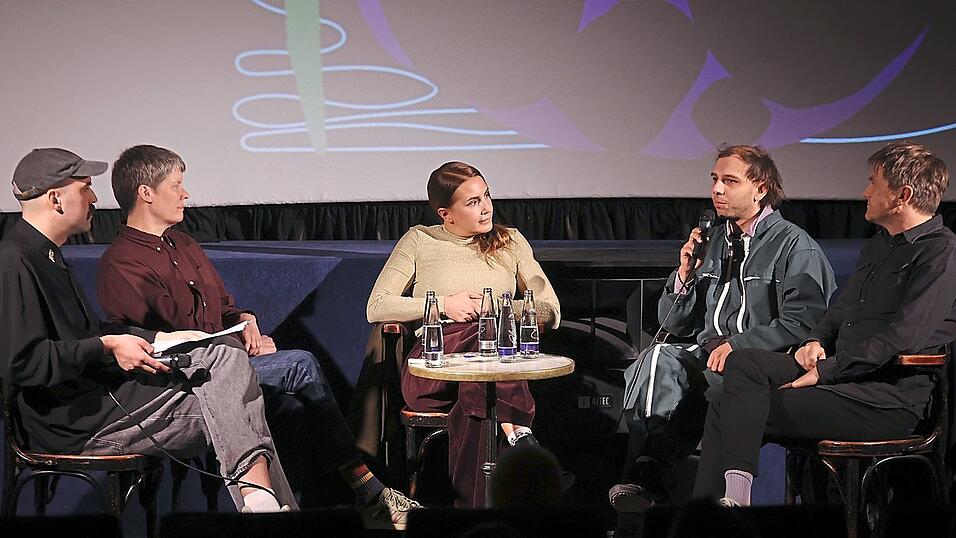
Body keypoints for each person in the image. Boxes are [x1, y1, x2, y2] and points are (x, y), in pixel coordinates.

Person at [95, 145, 418, 530]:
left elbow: (224, 308)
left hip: (227, 362)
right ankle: (367, 487)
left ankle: (288, 513)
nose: (186, 194)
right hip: (182, 379)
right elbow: (160, 340)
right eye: (177, 185)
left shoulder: (183, 244)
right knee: (300, 365)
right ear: (146, 193)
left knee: (289, 409)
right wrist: (230, 343)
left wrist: (245, 322)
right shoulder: (121, 262)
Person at [0, 148, 295, 513]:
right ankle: (265, 507)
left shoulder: (47, 256)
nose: (94, 198)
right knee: (238, 400)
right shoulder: (14, 260)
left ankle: (263, 505)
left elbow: (82, 332)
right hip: (74, 422)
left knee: (233, 383)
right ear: (56, 198)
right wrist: (106, 346)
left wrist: (157, 338)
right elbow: (23, 362)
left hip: (96, 403)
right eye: (86, 188)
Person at [693, 141, 954, 508]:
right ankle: (720, 507)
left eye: (873, 183)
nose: (864, 192)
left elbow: (903, 337)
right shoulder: (881, 245)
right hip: (843, 376)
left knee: (729, 406)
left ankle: (727, 508)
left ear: (902, 195)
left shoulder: (940, 252)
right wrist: (816, 340)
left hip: (883, 398)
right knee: (743, 363)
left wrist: (827, 370)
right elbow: (840, 309)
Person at [610, 145, 837, 524]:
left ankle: (680, 495)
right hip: (709, 351)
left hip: (761, 363)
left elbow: (804, 321)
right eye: (714, 180)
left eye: (730, 181)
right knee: (655, 359)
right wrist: (684, 274)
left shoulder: (793, 245)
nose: (717, 189)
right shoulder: (714, 240)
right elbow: (673, 324)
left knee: (710, 388)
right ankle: (648, 474)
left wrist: (739, 345)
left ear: (760, 188)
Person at [366, 161, 561, 508]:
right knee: (482, 351)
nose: (486, 207)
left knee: (478, 400)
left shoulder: (510, 241)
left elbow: (549, 309)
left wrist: (492, 309)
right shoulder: (419, 240)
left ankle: (470, 511)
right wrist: (444, 306)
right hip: (433, 370)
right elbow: (376, 306)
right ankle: (517, 429)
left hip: (489, 373)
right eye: (472, 202)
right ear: (446, 214)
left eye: (486, 195)